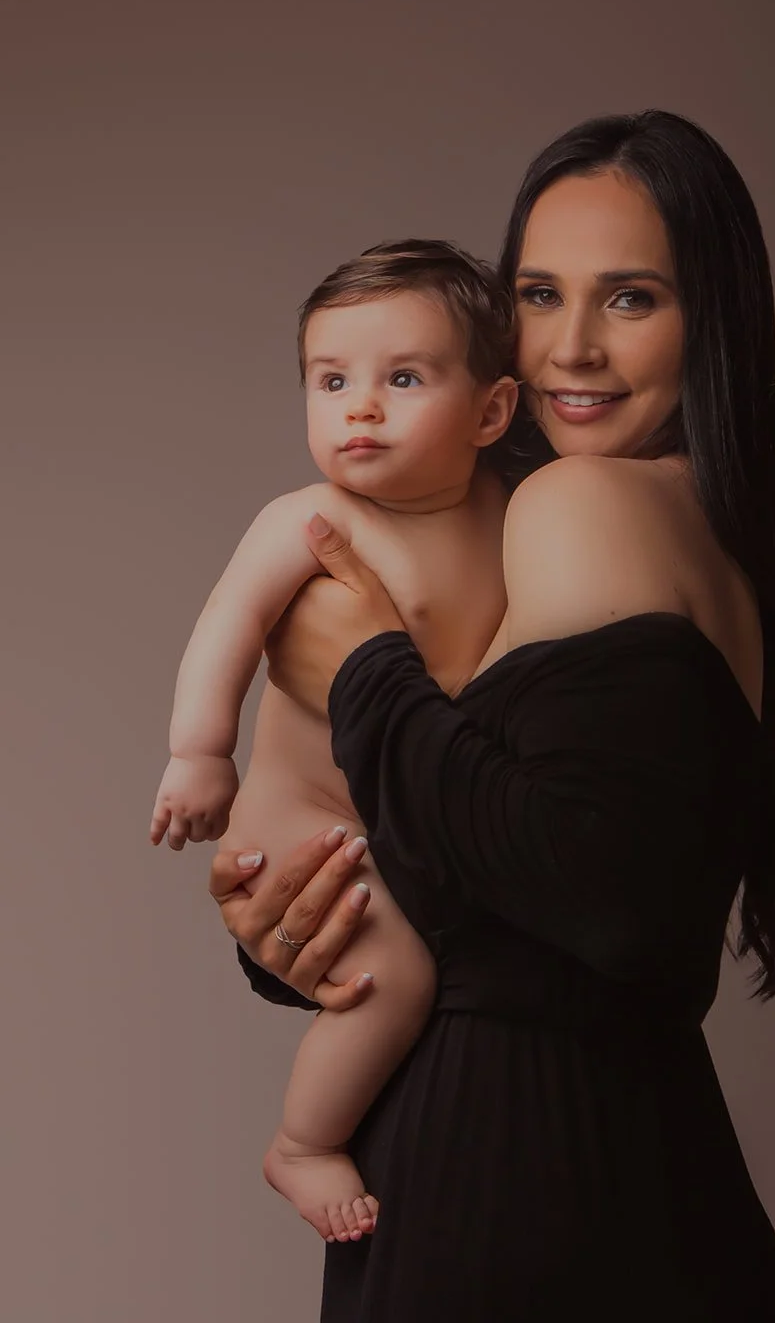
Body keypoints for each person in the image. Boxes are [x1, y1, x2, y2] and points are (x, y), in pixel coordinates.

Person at [210, 110, 775, 1321]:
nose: (572, 349)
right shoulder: (708, 533)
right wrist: (292, 921)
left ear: (711, 318)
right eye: (540, 293)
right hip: (648, 1182)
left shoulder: (580, 506)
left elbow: (588, 895)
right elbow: (507, 899)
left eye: (631, 299)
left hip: (509, 1200)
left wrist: (365, 671)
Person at [152, 241, 518, 1241]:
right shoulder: (312, 517)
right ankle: (304, 1142)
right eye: (332, 380)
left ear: (491, 412)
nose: (360, 406)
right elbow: (225, 624)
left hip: (422, 813)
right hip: (308, 818)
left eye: (402, 378)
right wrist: (199, 752)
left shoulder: (514, 516)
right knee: (392, 978)